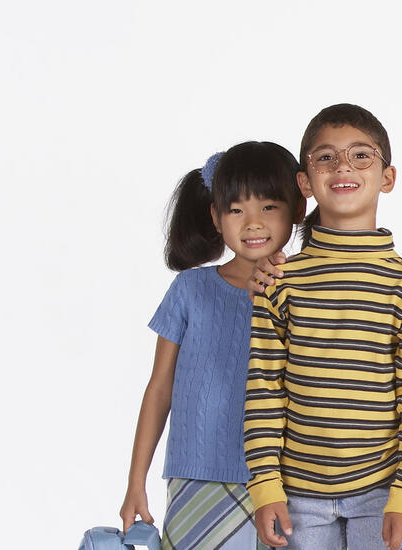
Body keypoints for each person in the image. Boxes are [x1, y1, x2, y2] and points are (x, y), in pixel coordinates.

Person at [244, 104, 402, 550]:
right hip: (297, 497)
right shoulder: (280, 281)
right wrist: (266, 488)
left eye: (361, 156)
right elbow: (264, 391)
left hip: (384, 492)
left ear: (387, 178)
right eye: (326, 158)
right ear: (305, 182)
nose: (343, 167)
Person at [120, 141, 304, 549]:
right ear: (216, 218)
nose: (253, 223)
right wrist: (136, 481)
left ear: (297, 210)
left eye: (269, 207)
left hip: (281, 481)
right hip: (196, 476)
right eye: (237, 210)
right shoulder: (190, 289)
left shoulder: (305, 291)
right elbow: (159, 388)